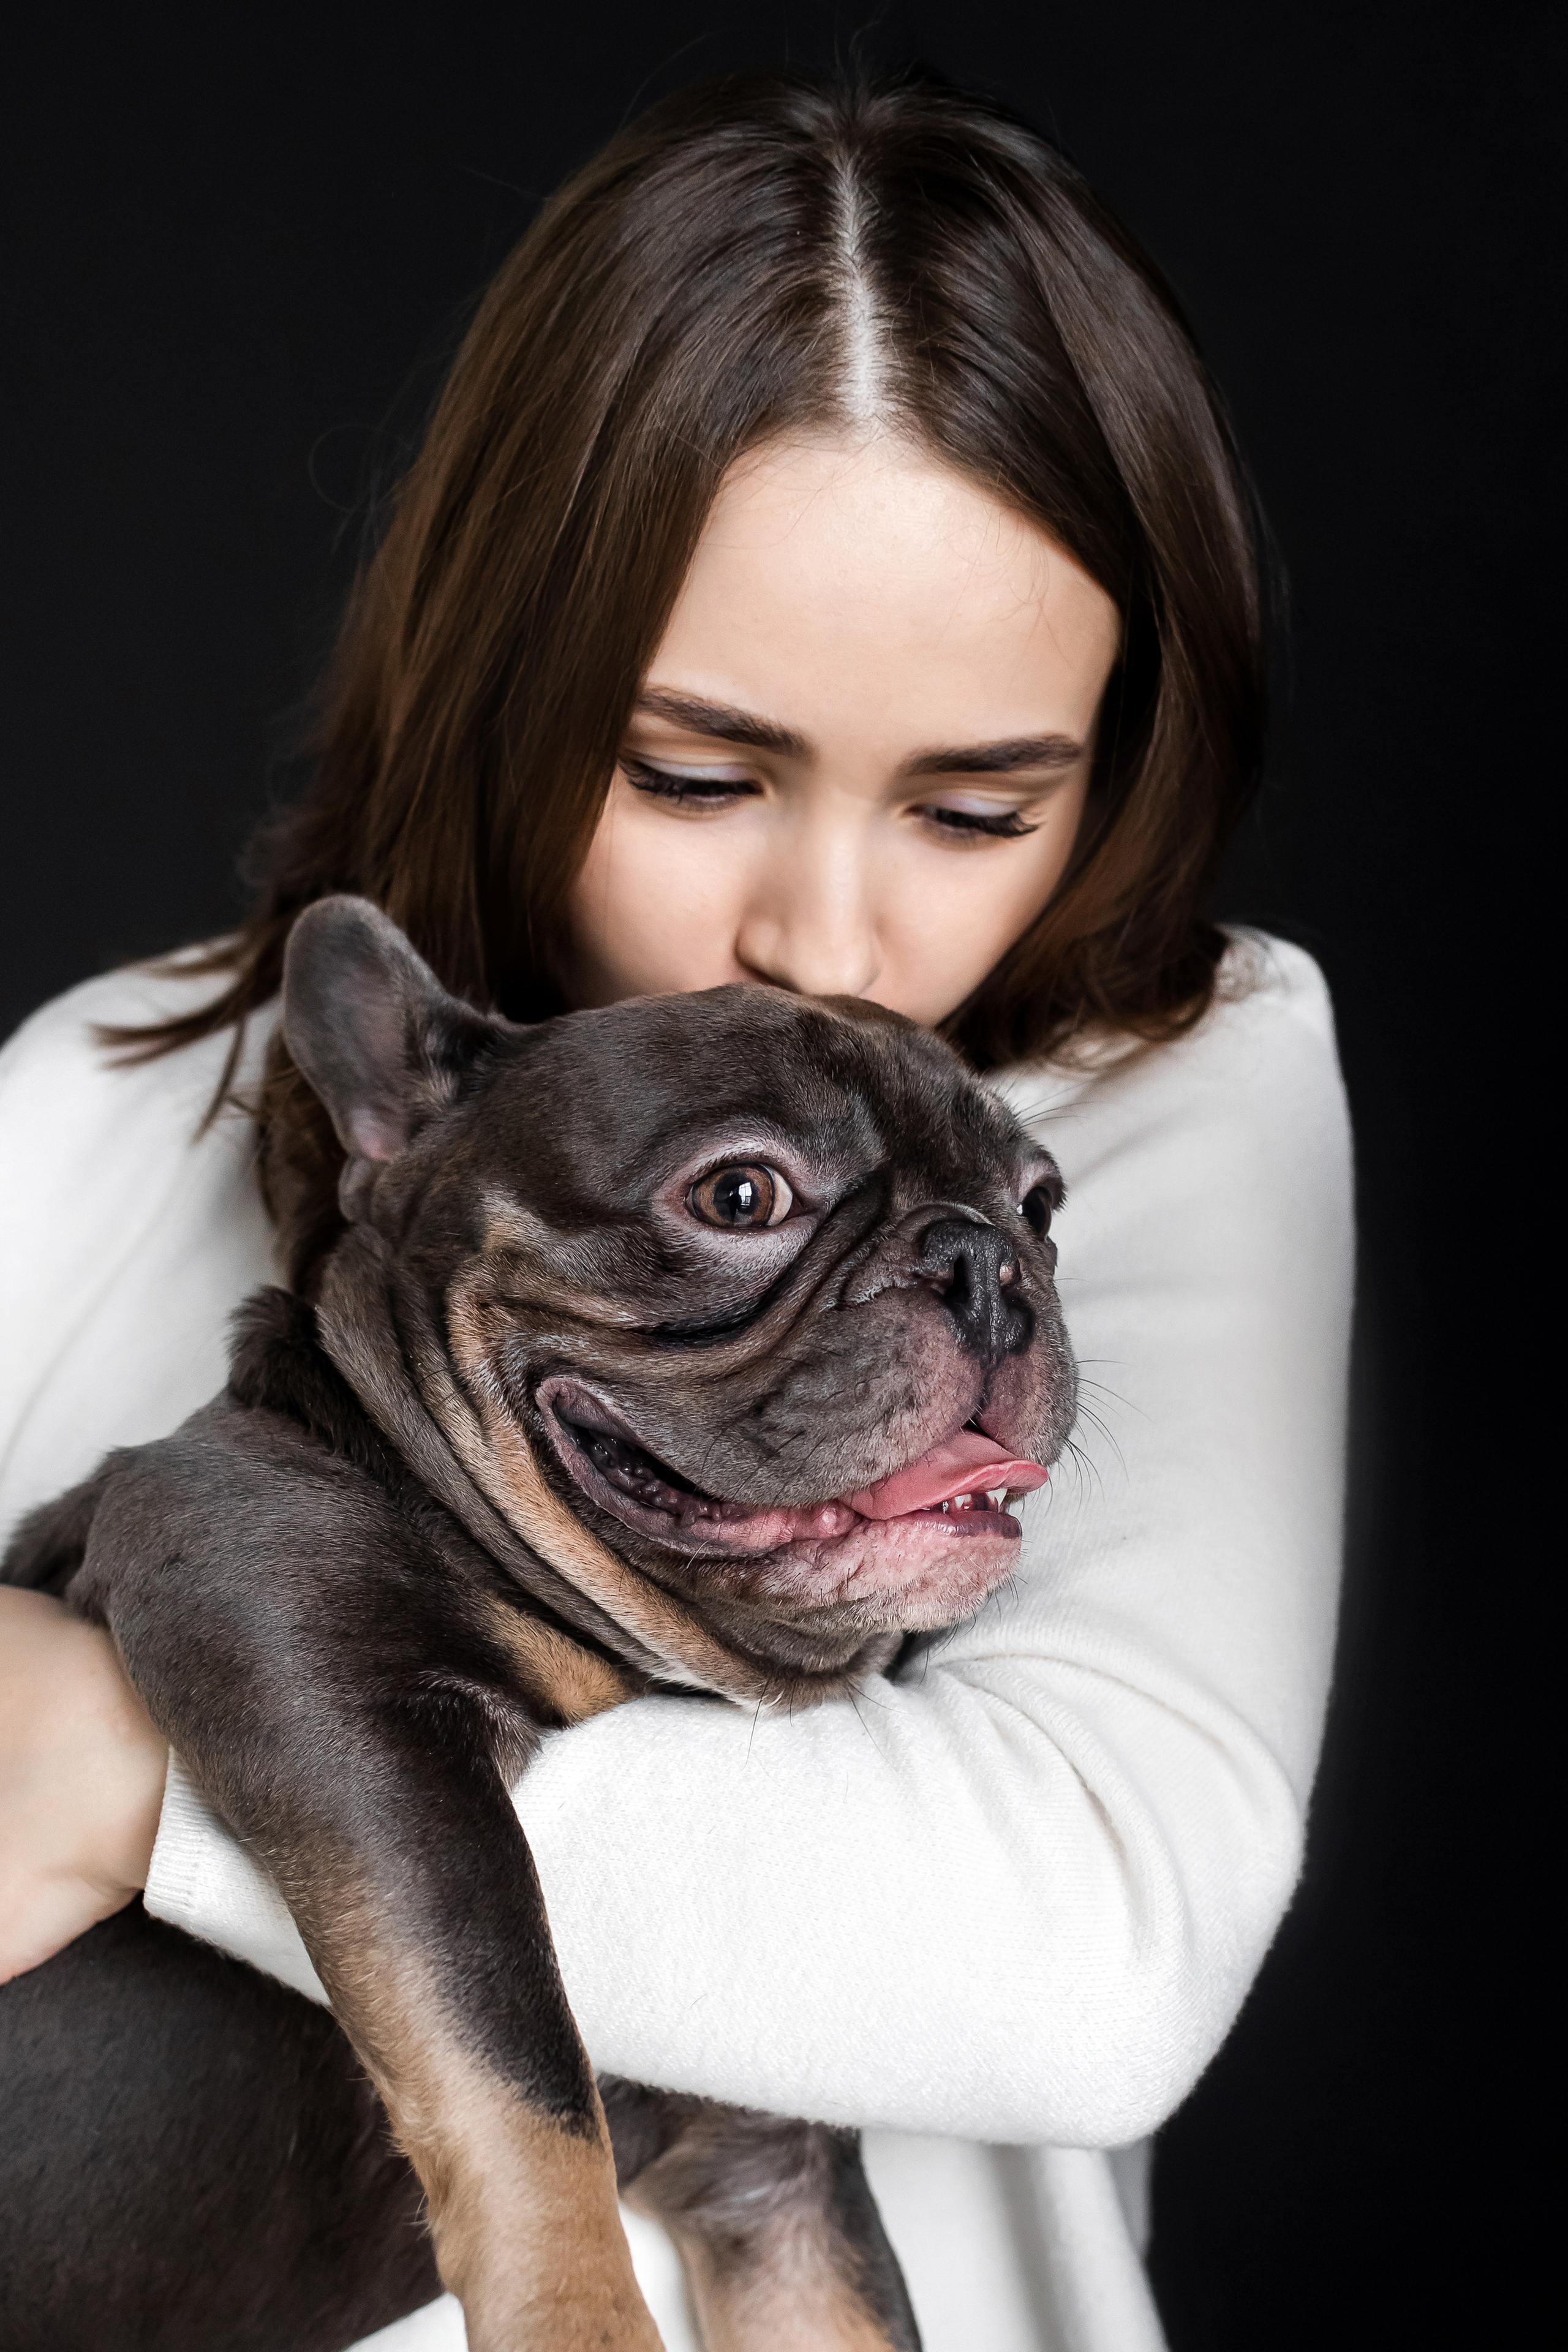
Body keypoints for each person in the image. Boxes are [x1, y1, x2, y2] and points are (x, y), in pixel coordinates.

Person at [0, 70, 1352, 2352]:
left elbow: (1087, 1949)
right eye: (699, 774)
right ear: (508, 679)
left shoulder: (1148, 1093)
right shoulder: (113, 1091)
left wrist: (129, 1758)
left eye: (973, 810)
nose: (825, 931)